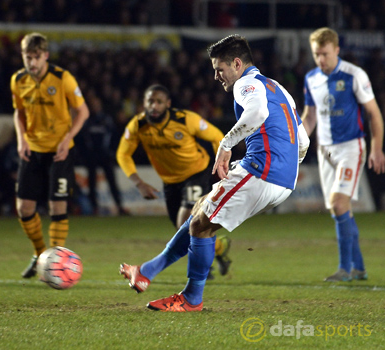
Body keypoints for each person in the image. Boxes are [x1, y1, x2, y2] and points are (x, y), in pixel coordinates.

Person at [121, 34, 310, 312]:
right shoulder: (277, 87)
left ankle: (191, 298)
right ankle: (147, 271)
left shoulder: (246, 84)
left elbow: (256, 113)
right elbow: (303, 142)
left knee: (200, 226)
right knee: (201, 210)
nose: (215, 76)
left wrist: (226, 144)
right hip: (282, 180)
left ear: (236, 64)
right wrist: (285, 165)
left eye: (219, 69)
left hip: (261, 170)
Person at [117, 84, 231, 282]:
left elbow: (216, 136)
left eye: (159, 102)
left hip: (196, 172)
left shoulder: (185, 119)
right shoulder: (138, 125)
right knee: (184, 232)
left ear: (167, 104)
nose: (154, 106)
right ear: (143, 103)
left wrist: (221, 166)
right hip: (170, 182)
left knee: (185, 222)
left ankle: (200, 270)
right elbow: (122, 154)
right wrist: (139, 183)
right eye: (150, 101)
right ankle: (219, 247)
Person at [301, 28, 385, 282]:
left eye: (325, 54)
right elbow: (310, 117)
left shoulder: (354, 75)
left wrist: (377, 147)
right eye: (317, 54)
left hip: (351, 146)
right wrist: (295, 145)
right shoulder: (311, 78)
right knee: (339, 209)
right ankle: (359, 268)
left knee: (339, 203)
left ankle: (344, 269)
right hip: (324, 150)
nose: (321, 60)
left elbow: (374, 113)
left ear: (336, 50)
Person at [10, 32, 89, 278]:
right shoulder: (18, 80)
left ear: (45, 56)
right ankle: (40, 255)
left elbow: (83, 112)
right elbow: (19, 112)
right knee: (24, 208)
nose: (31, 62)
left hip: (59, 151)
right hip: (32, 150)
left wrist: (67, 140)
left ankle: (56, 261)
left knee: (58, 206)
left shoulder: (63, 78)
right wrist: (21, 139)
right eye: (27, 57)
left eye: (36, 57)